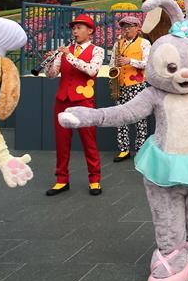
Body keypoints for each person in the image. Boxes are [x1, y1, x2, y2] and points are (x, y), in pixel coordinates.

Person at [44, 14, 104, 196]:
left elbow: (92, 70)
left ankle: (95, 179)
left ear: (90, 31)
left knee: (89, 142)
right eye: (74, 28)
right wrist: (49, 62)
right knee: (61, 143)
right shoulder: (65, 51)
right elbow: (52, 75)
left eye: (79, 28)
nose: (75, 31)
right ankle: (61, 180)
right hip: (62, 100)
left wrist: (69, 56)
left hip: (84, 101)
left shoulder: (97, 51)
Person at [110, 15, 151, 162]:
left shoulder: (144, 43)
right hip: (120, 85)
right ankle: (124, 150)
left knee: (140, 118)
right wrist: (113, 76)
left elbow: (147, 63)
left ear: (137, 28)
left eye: (129, 27)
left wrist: (130, 61)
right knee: (121, 118)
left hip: (137, 85)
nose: (126, 30)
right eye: (123, 27)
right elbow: (112, 64)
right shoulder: (118, 44)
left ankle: (140, 149)